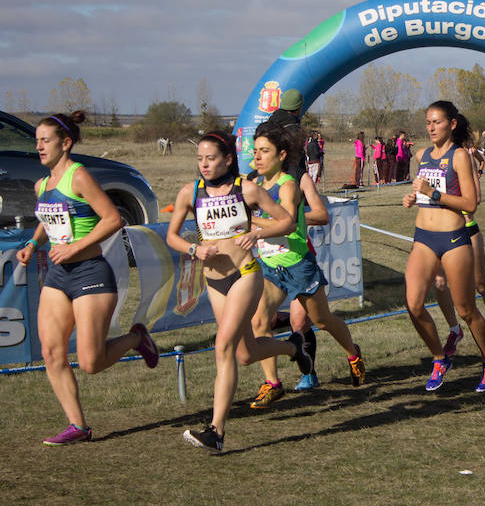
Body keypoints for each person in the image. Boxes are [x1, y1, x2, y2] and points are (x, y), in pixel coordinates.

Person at [16, 111, 159, 446]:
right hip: (57, 276)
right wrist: (33, 243)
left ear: (65, 143)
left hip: (90, 273)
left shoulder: (79, 177)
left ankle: (137, 339)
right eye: (36, 140)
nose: (38, 146)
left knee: (91, 362)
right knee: (52, 353)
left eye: (45, 140)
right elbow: (46, 219)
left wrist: (74, 248)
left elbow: (112, 219)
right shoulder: (43, 185)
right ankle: (78, 426)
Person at [167, 130, 302, 452]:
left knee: (223, 345)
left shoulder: (248, 189)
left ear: (227, 159)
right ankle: (295, 348)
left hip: (246, 274)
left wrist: (257, 234)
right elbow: (172, 236)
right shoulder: (190, 192)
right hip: (214, 281)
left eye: (211, 158)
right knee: (244, 354)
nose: (204, 165)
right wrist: (192, 250)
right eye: (200, 159)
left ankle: (215, 431)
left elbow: (288, 223)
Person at [247, 124, 365, 408]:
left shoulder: (289, 183)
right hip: (269, 265)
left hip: (298, 263)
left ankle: (353, 353)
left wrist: (251, 224)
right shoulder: (251, 182)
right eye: (256, 151)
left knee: (322, 320)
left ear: (281, 154)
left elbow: (285, 223)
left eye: (265, 151)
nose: (258, 157)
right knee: (259, 320)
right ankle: (273, 383)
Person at [402, 101, 485, 392]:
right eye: (428, 122)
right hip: (424, 237)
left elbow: (470, 204)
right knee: (414, 304)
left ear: (452, 124)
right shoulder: (422, 154)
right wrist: (413, 197)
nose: (431, 128)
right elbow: (425, 192)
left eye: (437, 122)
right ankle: (440, 359)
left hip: (454, 239)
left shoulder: (459, 157)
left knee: (466, 309)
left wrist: (434, 193)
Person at [435, 135, 485, 361]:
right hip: (441, 232)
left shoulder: (466, 160)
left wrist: (441, 197)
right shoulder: (435, 160)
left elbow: (474, 201)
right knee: (438, 284)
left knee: (481, 285)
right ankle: (454, 330)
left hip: (467, 230)